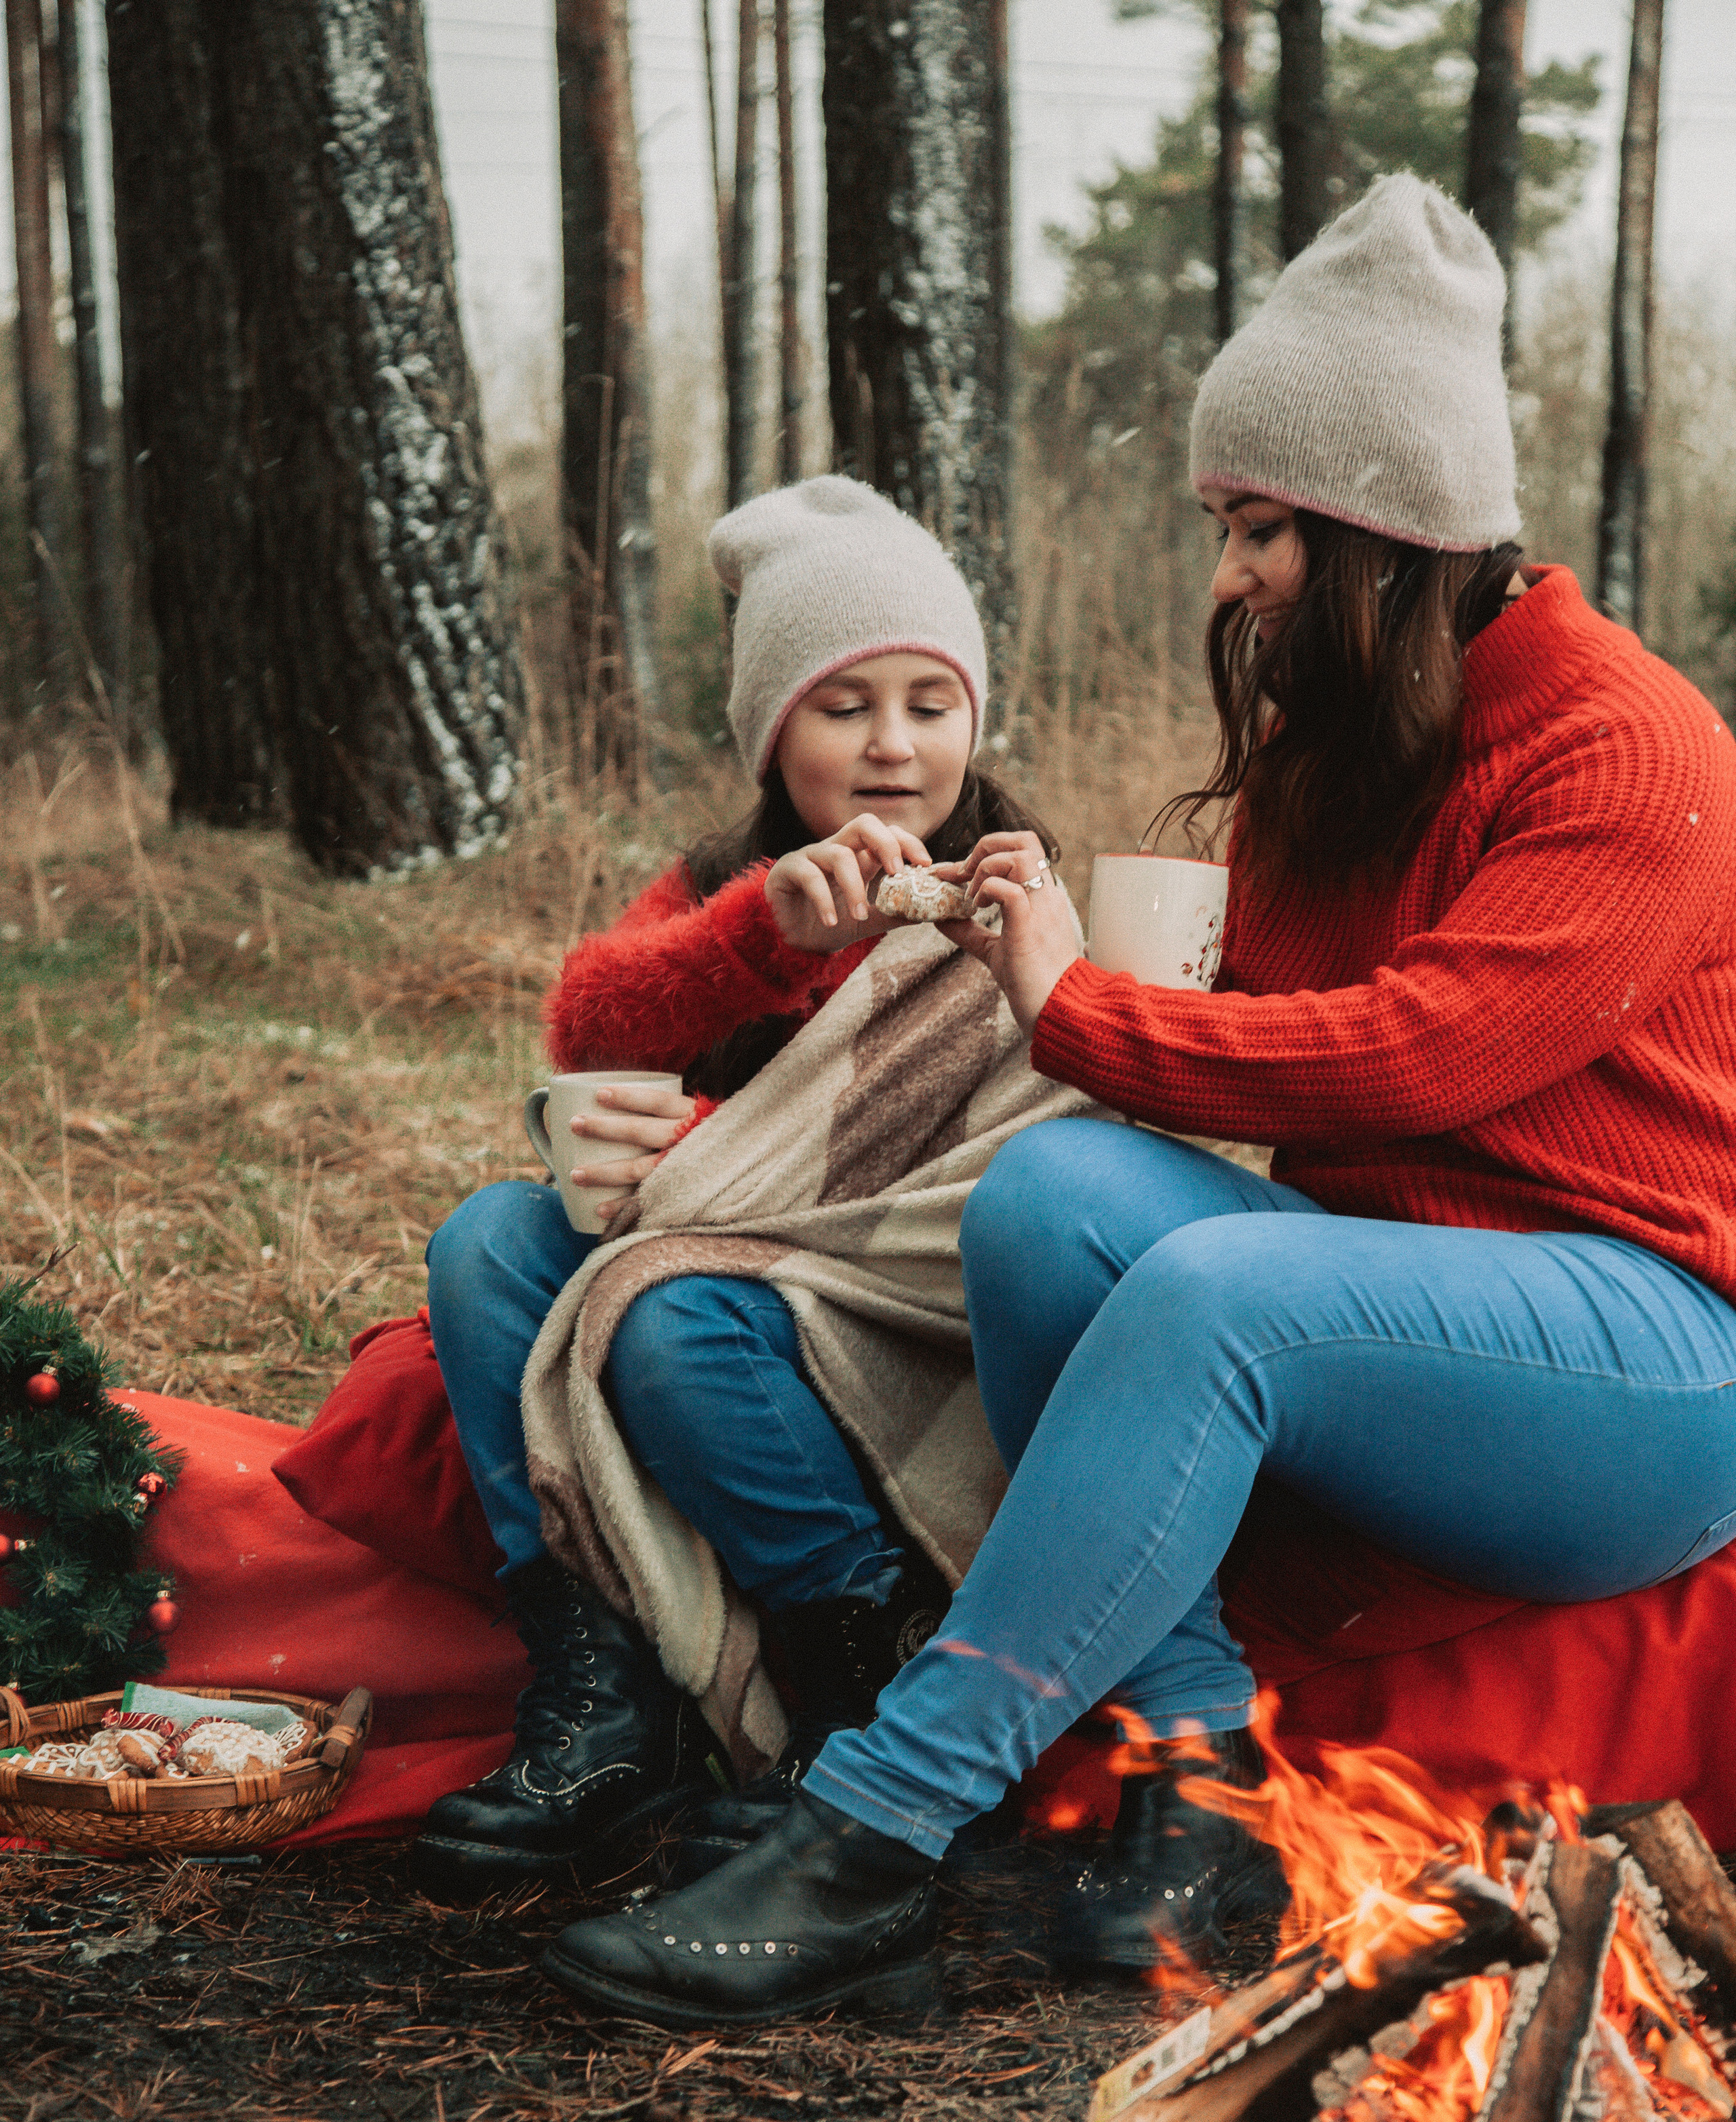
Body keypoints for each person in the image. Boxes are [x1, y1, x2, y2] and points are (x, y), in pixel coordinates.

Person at [540, 172, 1736, 2026]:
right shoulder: (1343, 746)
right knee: (1056, 1200)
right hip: (1387, 1301)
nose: (1232, 576)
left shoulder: (1630, 745)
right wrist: (987, 958)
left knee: (1204, 1288)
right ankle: (1198, 1789)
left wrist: (1082, 1009)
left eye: (1260, 527)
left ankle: (872, 1830)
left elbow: (1427, 1048)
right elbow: (1236, 1033)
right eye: (1226, 526)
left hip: (1652, 1359)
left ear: (1382, 524)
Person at [412, 477, 1054, 1899]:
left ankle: (851, 1706)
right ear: (775, 729)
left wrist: (1041, 963)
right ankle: (600, 1691)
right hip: (719, 1257)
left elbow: (1025, 1131)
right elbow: (590, 1024)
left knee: (667, 1315)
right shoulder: (734, 887)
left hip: (885, 1305)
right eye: (842, 707)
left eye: (928, 702)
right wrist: (755, 938)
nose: (892, 746)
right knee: (485, 1244)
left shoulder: (1021, 884)